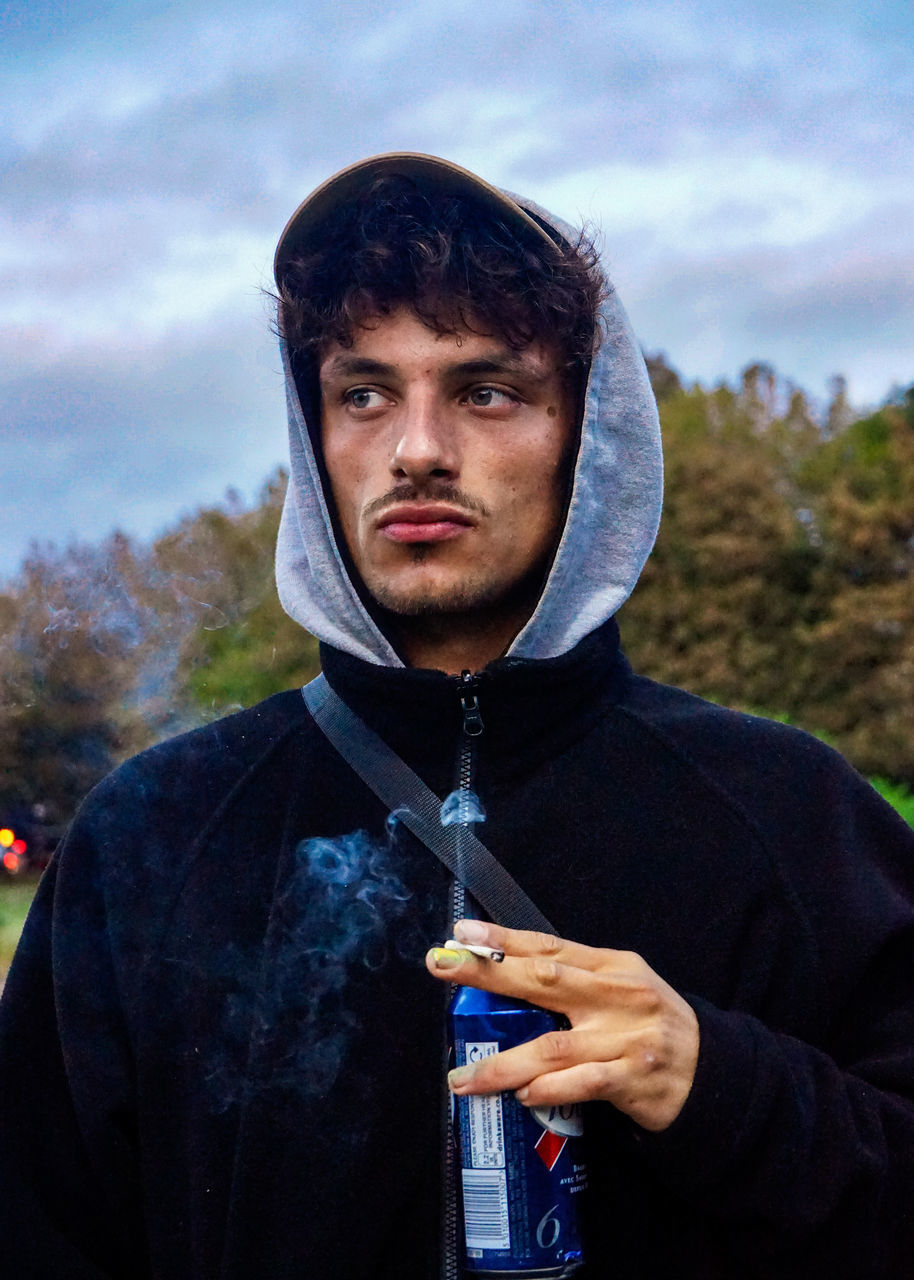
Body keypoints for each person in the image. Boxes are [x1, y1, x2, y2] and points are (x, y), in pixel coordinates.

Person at [1, 153, 913, 1280]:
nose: (417, 447)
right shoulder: (155, 832)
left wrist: (721, 1083)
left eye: (486, 390)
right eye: (363, 393)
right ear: (314, 436)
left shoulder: (788, 816)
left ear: (587, 437)